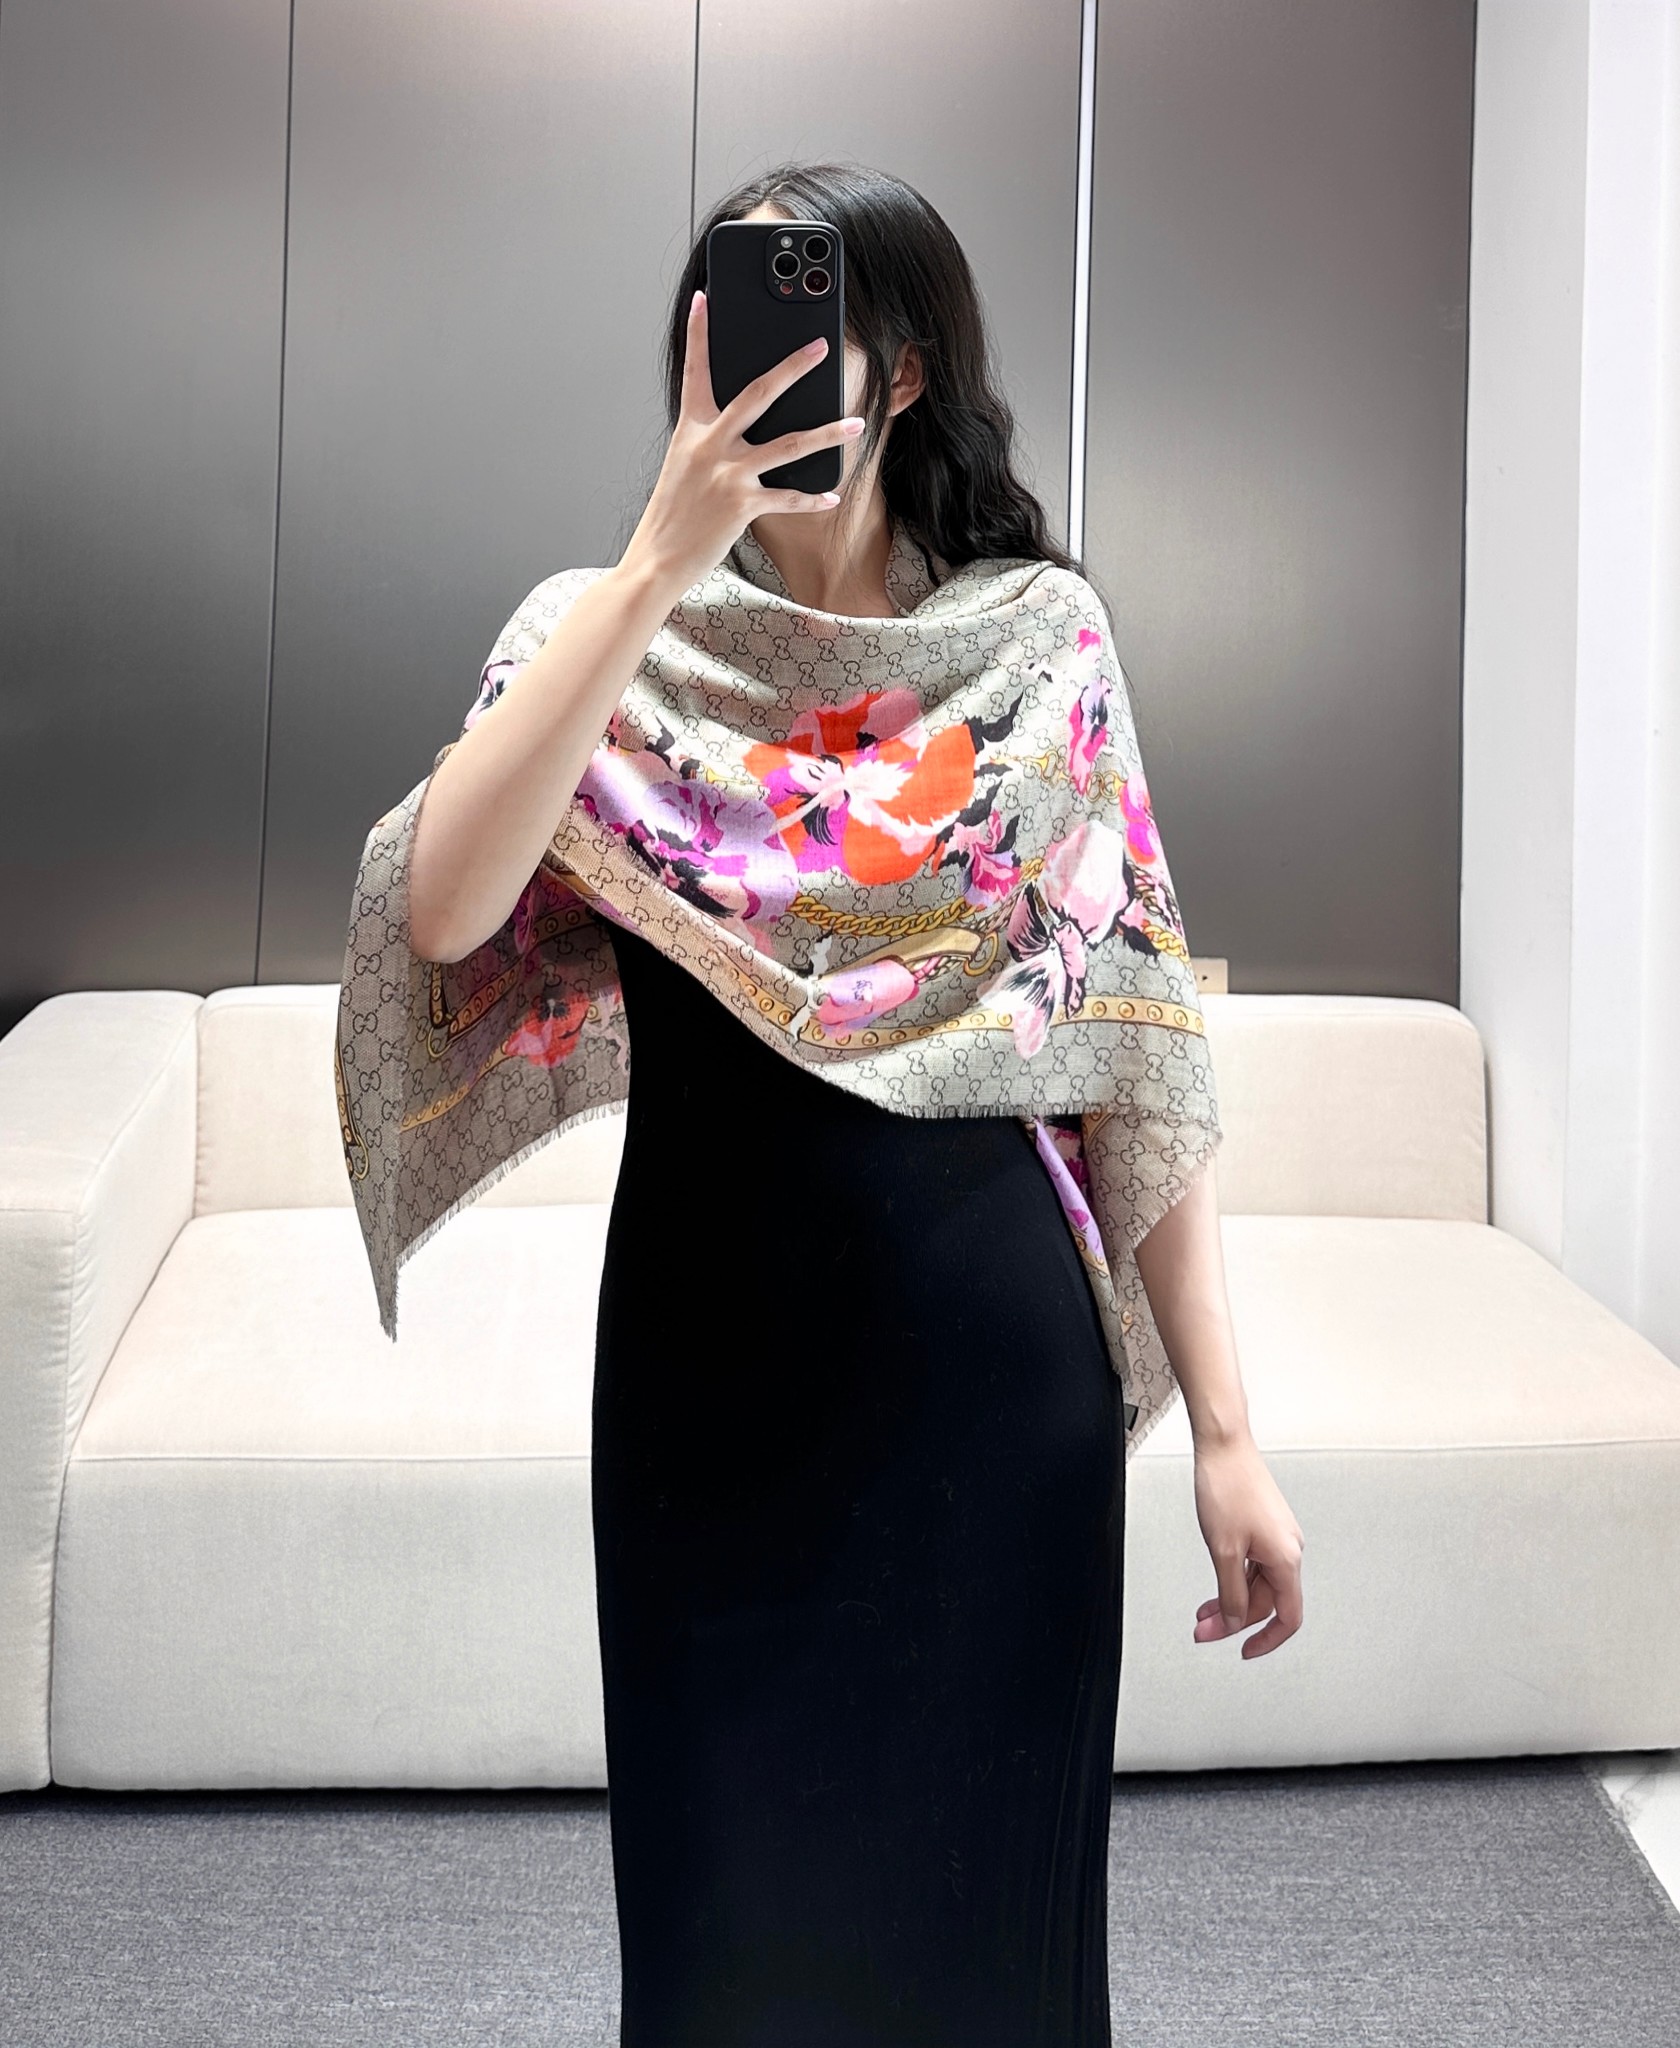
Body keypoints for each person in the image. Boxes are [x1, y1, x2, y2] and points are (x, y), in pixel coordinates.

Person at [398, 162, 1304, 2048]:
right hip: (706, 1384)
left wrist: (1228, 1432)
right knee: (723, 1947)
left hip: (990, 1383)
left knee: (989, 1957)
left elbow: (1133, 1032)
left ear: (894, 373)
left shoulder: (1040, 641)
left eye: (800, 332)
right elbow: (447, 909)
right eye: (720, 334)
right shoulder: (607, 632)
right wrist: (652, 570)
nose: (750, 374)